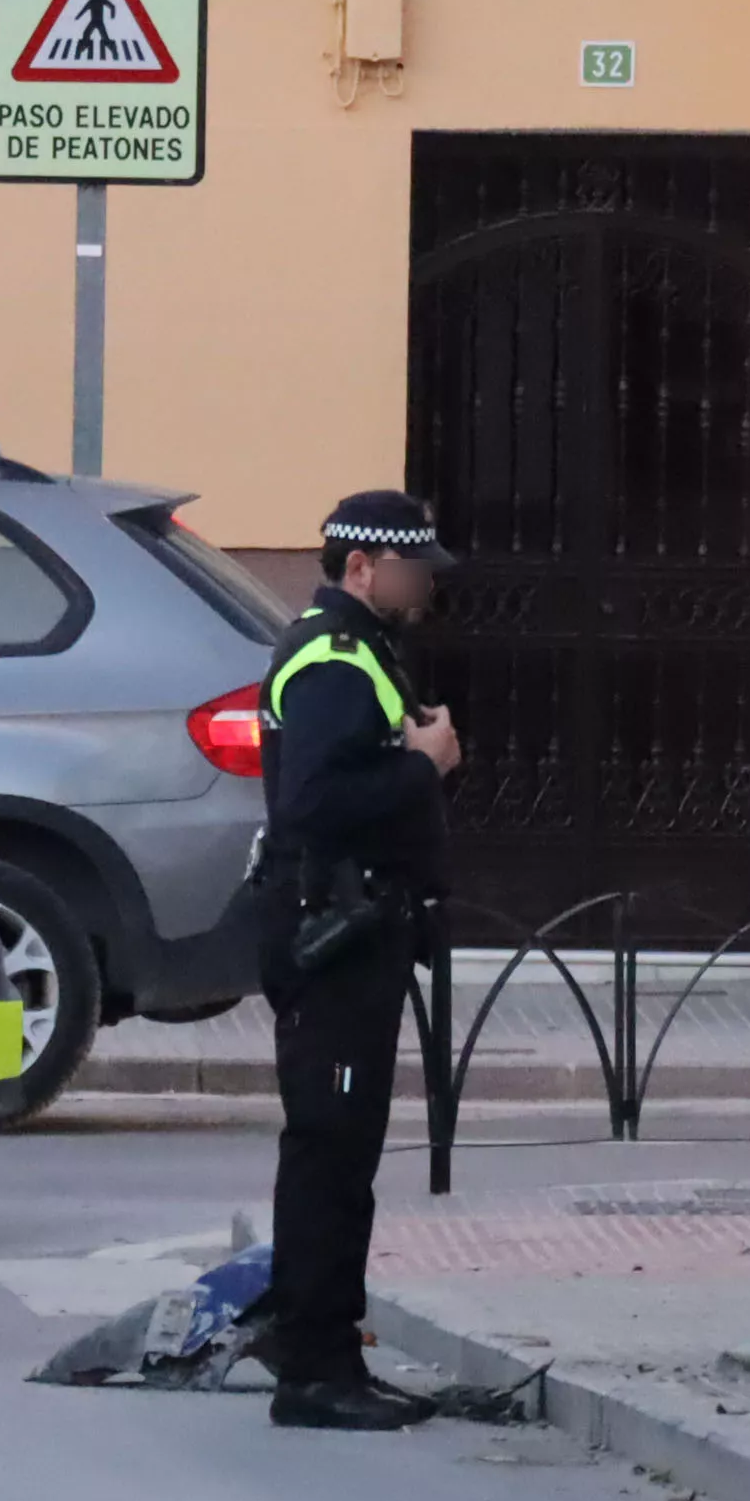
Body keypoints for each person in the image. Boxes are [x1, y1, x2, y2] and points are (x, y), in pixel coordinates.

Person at [247, 490, 466, 1431]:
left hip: (356, 937)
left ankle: (331, 1353)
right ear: (361, 569)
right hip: (331, 938)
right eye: (411, 569)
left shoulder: (360, 651)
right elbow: (314, 803)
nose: (425, 586)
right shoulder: (335, 661)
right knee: (330, 1155)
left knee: (345, 1154)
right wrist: (425, 765)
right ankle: (312, 1370)